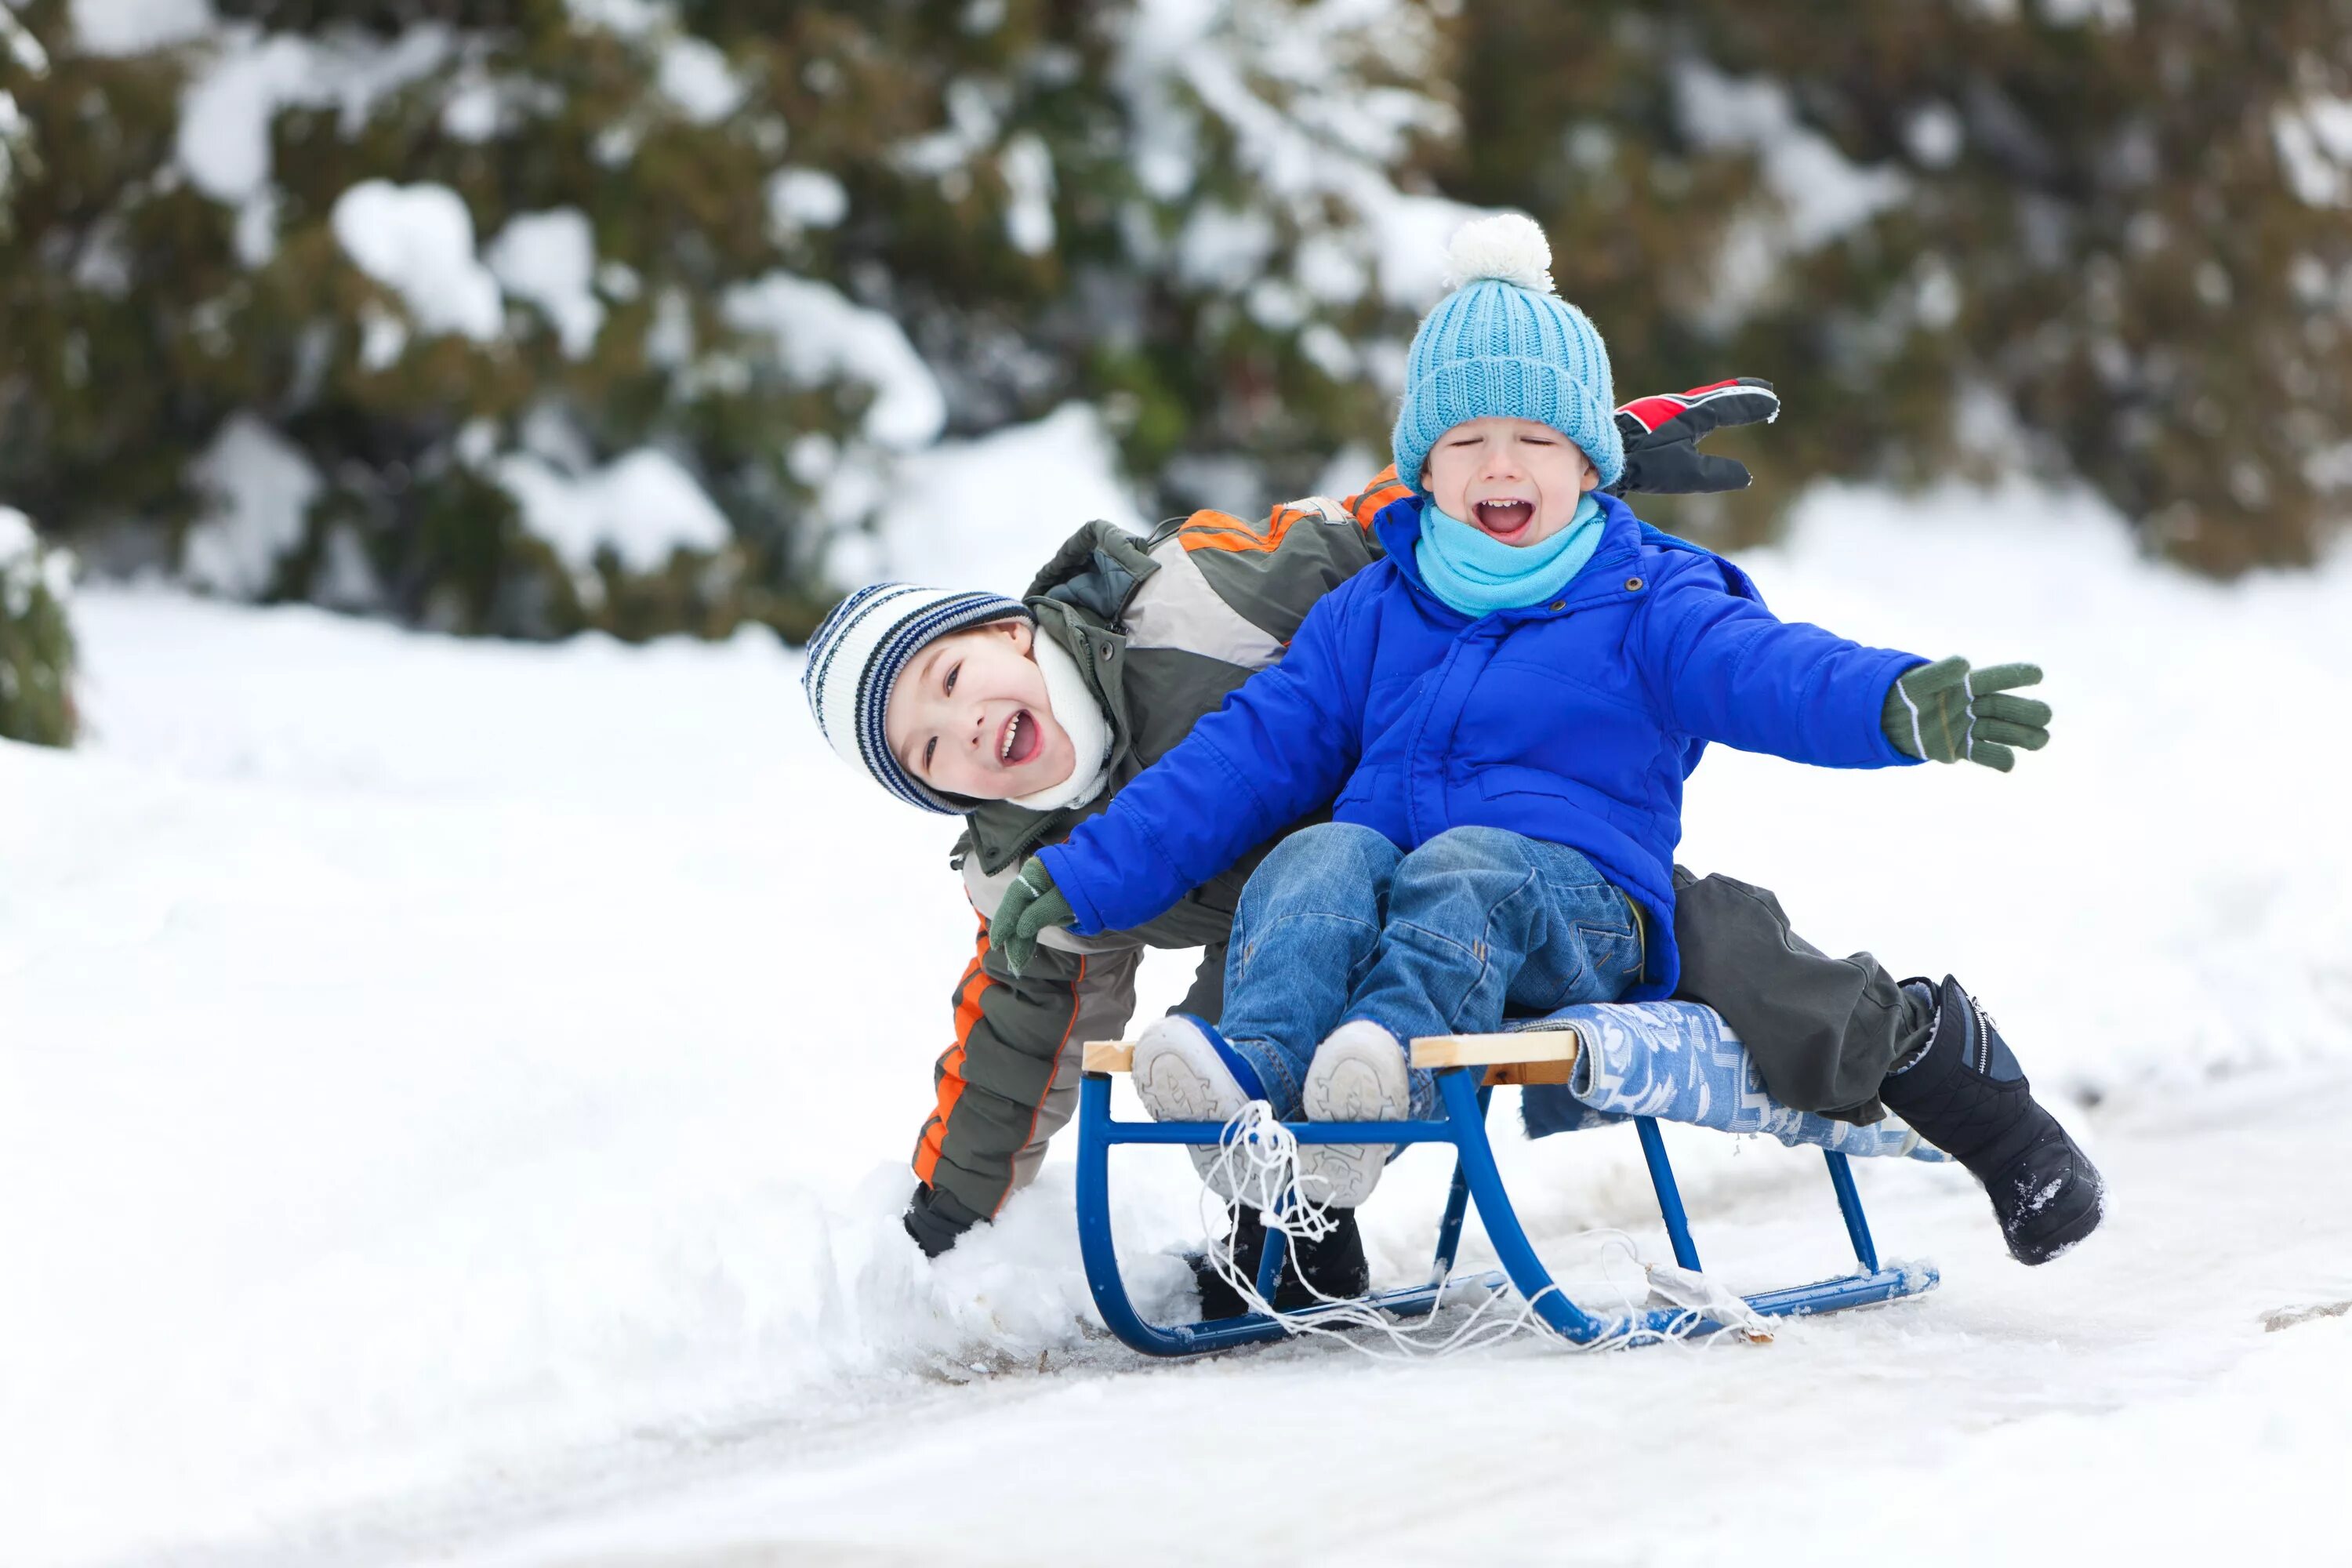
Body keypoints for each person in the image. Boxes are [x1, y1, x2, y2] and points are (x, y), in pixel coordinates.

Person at [978, 215, 2103, 1265]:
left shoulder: (1646, 598)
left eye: (1534, 438)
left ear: (1587, 462)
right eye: (1465, 440)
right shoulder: (1374, 609)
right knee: (1307, 860)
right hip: (1397, 907)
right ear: (1424, 467)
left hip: (1574, 906)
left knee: (1503, 877)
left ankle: (1382, 1086)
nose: (1499, 466)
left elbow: (1767, 671)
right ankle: (1270, 1127)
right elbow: (1240, 759)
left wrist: (1891, 702)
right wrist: (1084, 874)